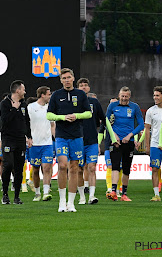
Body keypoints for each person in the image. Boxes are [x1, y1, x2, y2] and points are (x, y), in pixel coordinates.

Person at [47, 68, 92, 212]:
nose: (66, 80)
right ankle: (61, 201)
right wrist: (62, 117)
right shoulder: (56, 95)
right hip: (61, 136)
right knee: (62, 166)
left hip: (77, 136)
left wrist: (76, 116)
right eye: (64, 78)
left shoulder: (80, 94)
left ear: (73, 78)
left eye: (69, 77)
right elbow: (49, 115)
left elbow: (88, 113)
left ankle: (71, 203)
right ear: (61, 80)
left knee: (74, 167)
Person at [105, 86, 144, 202]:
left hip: (129, 141)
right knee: (115, 166)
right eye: (122, 96)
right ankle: (113, 191)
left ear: (129, 96)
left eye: (126, 96)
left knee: (126, 168)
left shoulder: (134, 107)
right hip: (116, 142)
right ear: (119, 95)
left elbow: (141, 125)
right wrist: (114, 136)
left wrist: (130, 136)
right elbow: (106, 122)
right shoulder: (112, 106)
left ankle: (124, 194)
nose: (124, 98)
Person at [0, 80, 32, 205]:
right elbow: (5, 121)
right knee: (8, 165)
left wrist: (28, 137)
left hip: (20, 140)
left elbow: (27, 121)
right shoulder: (5, 104)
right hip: (8, 139)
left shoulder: (24, 105)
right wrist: (13, 110)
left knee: (19, 168)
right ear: (17, 90)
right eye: (23, 89)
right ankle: (5, 194)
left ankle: (17, 197)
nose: (25, 92)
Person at [137, 86, 162, 202]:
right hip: (155, 144)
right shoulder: (151, 111)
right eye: (154, 95)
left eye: (157, 95)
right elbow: (147, 129)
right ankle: (156, 194)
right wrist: (147, 146)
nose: (155, 97)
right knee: (155, 168)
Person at [77, 78, 105, 204]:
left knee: (92, 167)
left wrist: (101, 137)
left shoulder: (94, 102)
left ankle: (92, 196)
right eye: (81, 85)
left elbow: (103, 120)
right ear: (78, 88)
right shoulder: (74, 102)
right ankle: (82, 196)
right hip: (77, 141)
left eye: (85, 85)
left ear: (89, 88)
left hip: (92, 141)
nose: (84, 87)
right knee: (78, 169)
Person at [28, 86, 54, 202]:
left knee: (47, 167)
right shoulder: (31, 107)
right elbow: (26, 124)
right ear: (42, 95)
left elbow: (52, 125)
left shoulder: (51, 108)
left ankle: (46, 192)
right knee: (35, 169)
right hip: (34, 143)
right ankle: (37, 193)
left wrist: (55, 139)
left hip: (47, 143)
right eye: (49, 94)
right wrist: (28, 138)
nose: (50, 96)